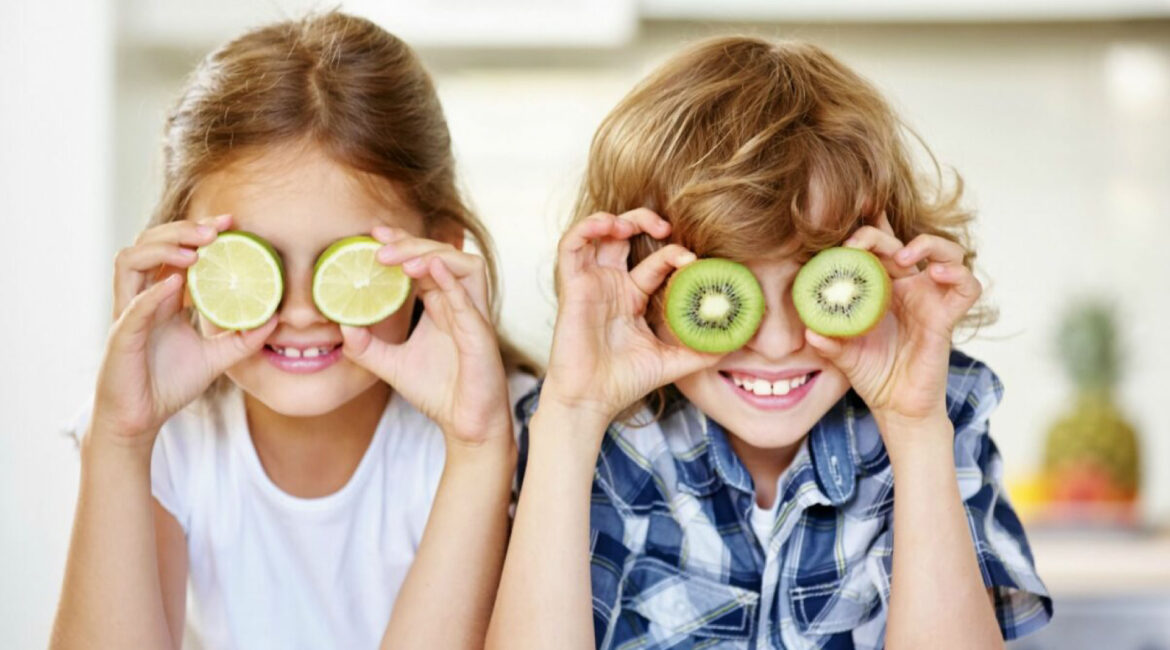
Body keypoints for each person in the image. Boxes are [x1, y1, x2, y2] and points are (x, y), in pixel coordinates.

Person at [490, 36, 1051, 649]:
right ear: (642, 282)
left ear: (880, 276)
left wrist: (915, 429)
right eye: (728, 287)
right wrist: (573, 416)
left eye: (817, 279)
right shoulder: (609, 439)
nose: (780, 342)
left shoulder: (943, 408)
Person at [51, 12, 533, 650]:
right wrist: (120, 439)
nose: (302, 310)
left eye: (348, 261)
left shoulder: (516, 434)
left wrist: (478, 449)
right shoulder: (166, 439)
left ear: (437, 253)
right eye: (258, 260)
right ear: (184, 263)